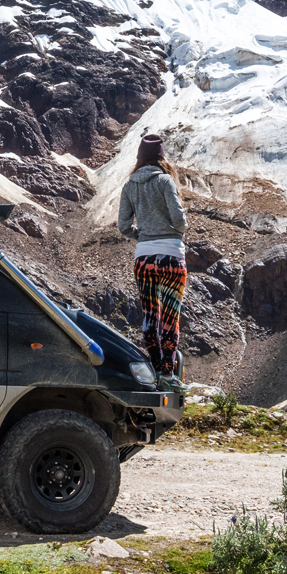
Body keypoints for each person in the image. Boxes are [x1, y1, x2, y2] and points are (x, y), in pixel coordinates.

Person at [117, 133, 188, 393]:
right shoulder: (165, 180)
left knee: (150, 315)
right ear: (161, 156)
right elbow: (178, 218)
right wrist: (178, 231)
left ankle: (155, 370)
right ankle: (168, 374)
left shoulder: (129, 186)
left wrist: (143, 235)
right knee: (170, 317)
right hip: (171, 255)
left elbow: (123, 227)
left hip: (144, 258)